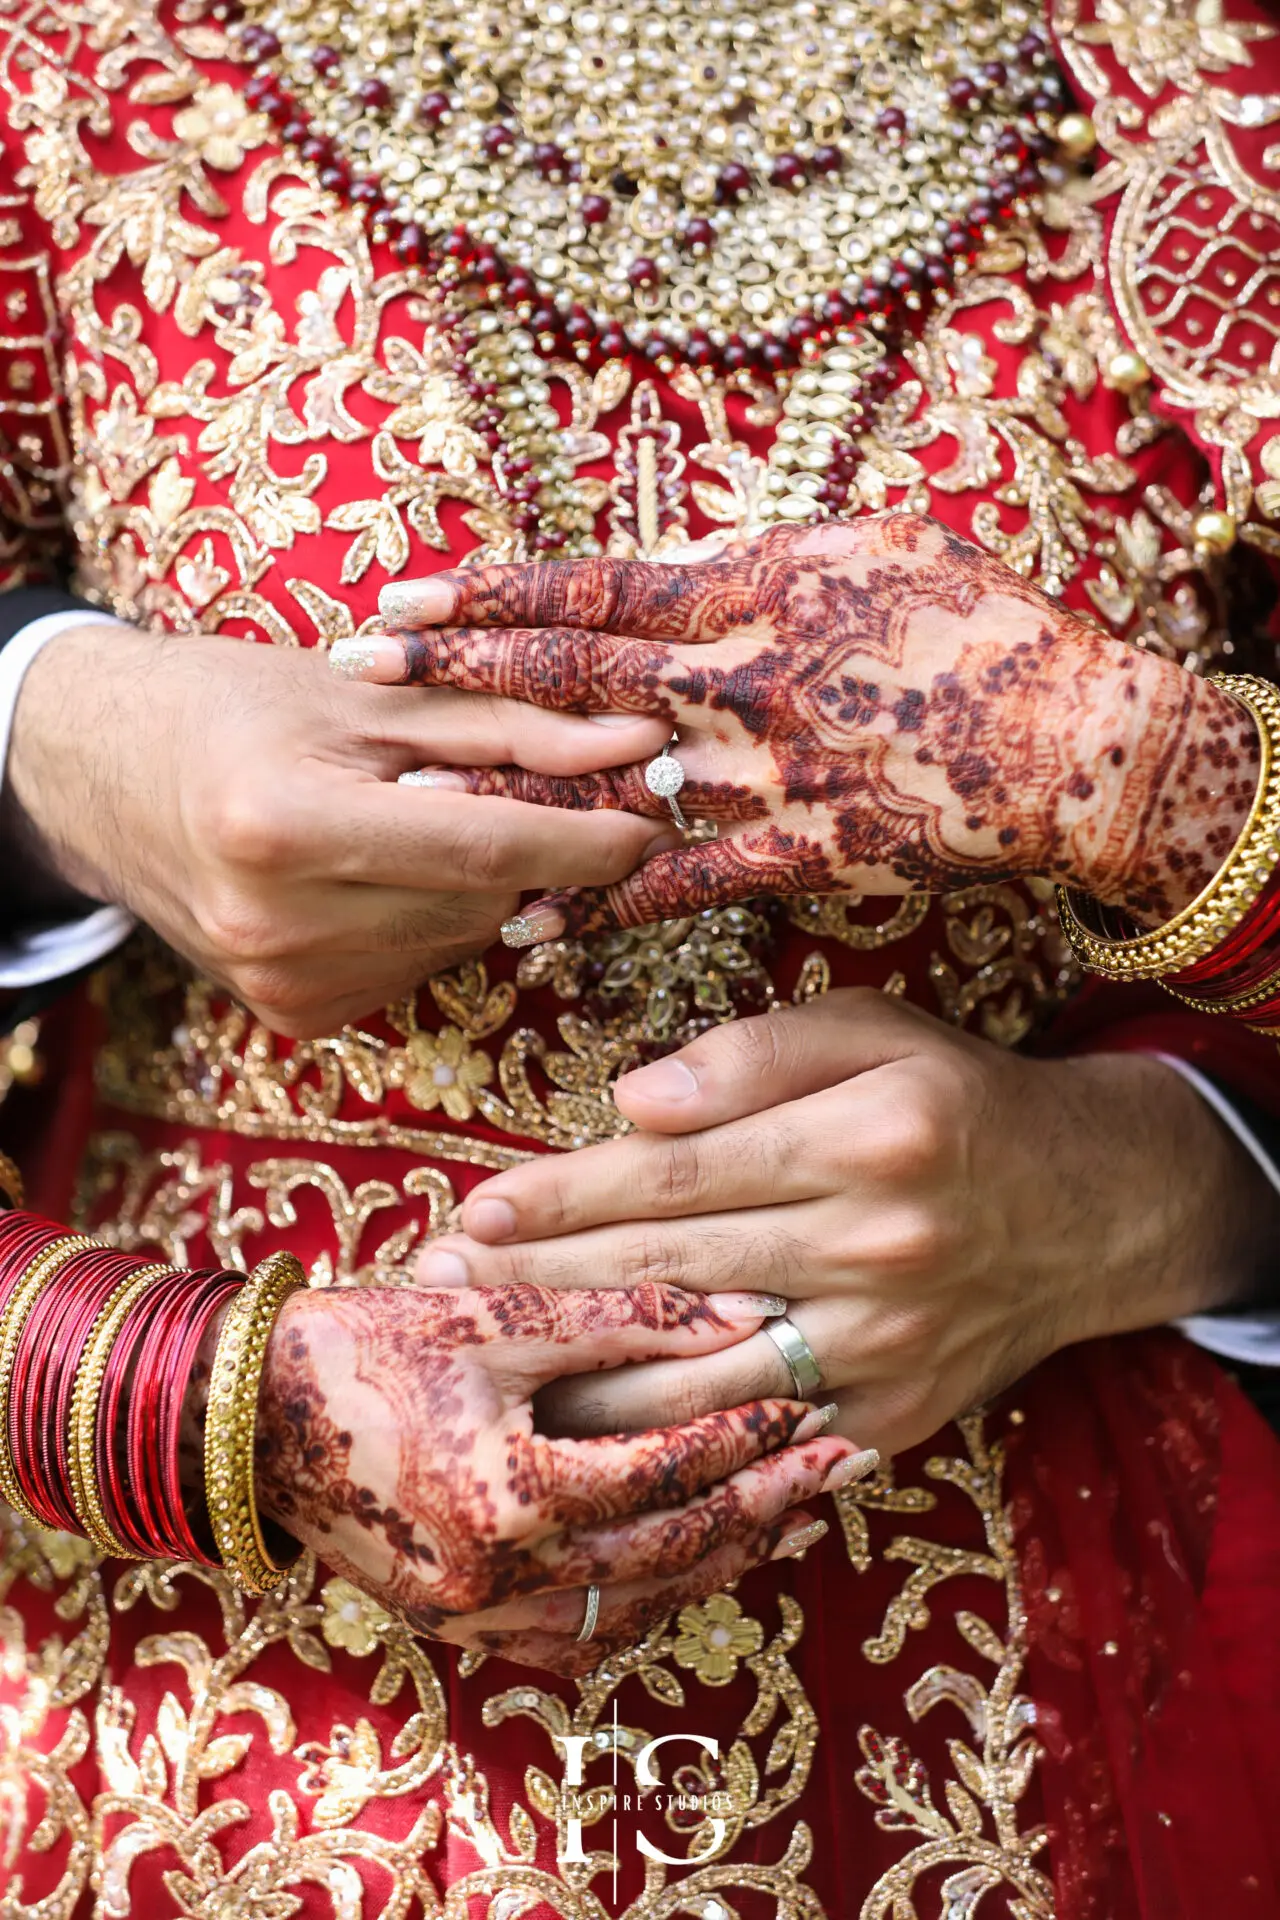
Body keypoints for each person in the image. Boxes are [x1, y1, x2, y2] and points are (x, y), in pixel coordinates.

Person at [1, 0, 1280, 1915]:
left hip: (1039, 1718)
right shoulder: (62, 73)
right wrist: (59, 740)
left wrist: (1158, 1133)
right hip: (195, 1736)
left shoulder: (1220, 108)